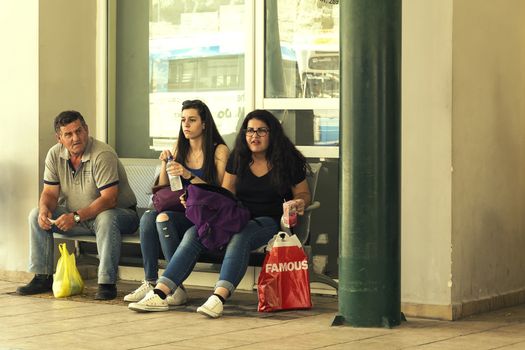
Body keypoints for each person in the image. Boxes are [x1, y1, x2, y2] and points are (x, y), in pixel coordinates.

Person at [128, 109, 311, 317]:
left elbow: (304, 193)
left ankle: (218, 297)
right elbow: (225, 194)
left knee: (241, 235)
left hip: (269, 221)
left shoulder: (288, 160)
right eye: (250, 131)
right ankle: (160, 293)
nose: (254, 136)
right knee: (194, 233)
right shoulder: (239, 158)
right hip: (236, 216)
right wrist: (197, 200)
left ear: (273, 133)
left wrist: (298, 202)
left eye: (261, 131)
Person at [16, 110, 140, 300]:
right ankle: (42, 277)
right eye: (69, 134)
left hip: (119, 216)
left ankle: (106, 282)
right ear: (59, 138)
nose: (76, 138)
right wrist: (44, 210)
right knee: (35, 215)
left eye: (79, 131)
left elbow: (109, 199)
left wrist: (75, 217)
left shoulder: (102, 154)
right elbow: (49, 193)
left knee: (106, 218)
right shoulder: (54, 155)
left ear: (86, 130)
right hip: (80, 217)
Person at [123, 100, 229, 305]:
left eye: (192, 120)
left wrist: (188, 174)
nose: (186, 125)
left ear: (204, 124)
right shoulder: (179, 147)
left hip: (206, 213)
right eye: (183, 120)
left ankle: (175, 285)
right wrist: (165, 163)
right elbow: (165, 187)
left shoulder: (219, 151)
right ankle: (151, 281)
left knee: (162, 217)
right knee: (148, 217)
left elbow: (220, 192)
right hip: (181, 209)